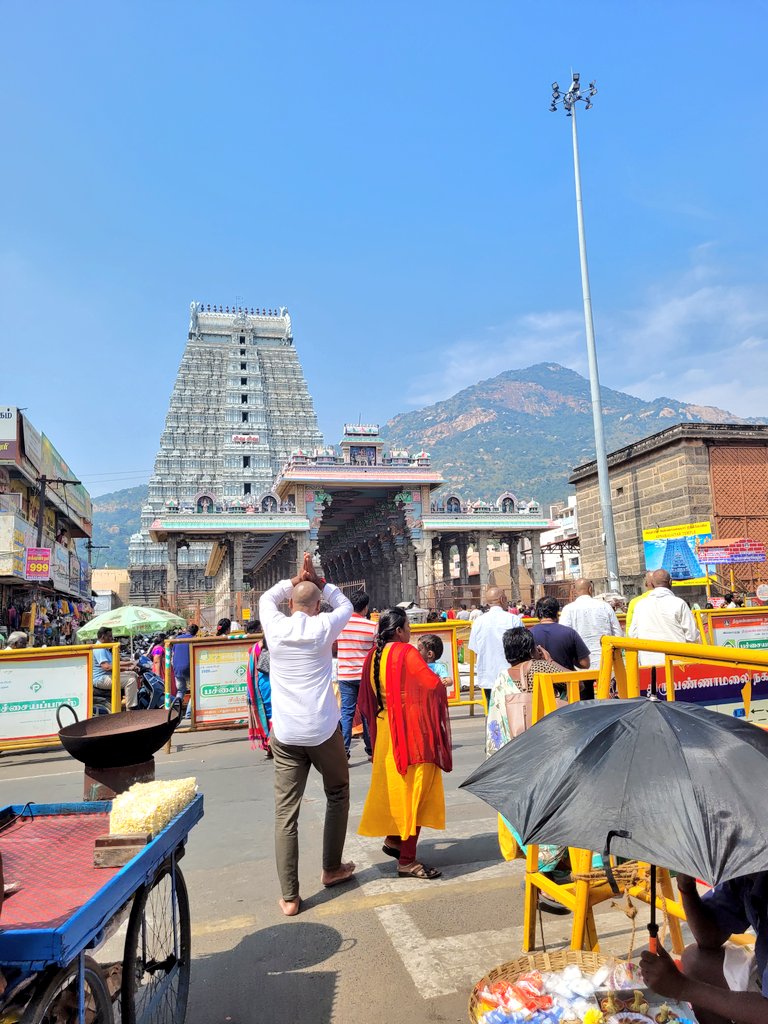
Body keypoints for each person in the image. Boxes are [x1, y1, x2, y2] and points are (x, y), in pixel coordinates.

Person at [258, 552, 355, 917]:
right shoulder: (323, 627)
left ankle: (289, 896)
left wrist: (295, 582)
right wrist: (320, 583)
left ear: (291, 604)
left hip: (286, 732)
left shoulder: (275, 625)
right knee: (338, 792)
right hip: (322, 728)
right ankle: (332, 867)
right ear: (317, 607)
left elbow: (268, 598)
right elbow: (343, 603)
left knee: (286, 814)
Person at [357, 608, 452, 880]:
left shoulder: (373, 655)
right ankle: (407, 861)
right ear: (399, 630)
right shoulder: (406, 652)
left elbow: (367, 700)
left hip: (386, 732)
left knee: (398, 792)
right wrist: (440, 683)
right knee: (415, 794)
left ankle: (394, 841)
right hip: (410, 732)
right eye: (409, 626)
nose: (411, 631)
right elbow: (431, 686)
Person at [486, 627, 568, 869]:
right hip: (539, 749)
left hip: (511, 754)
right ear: (532, 648)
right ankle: (545, 872)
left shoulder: (502, 676)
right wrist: (549, 660)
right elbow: (579, 678)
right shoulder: (539, 667)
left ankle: (546, 864)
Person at [640, 872, 768, 1024]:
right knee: (695, 959)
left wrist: (682, 987)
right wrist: (686, 887)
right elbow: (710, 938)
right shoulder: (748, 875)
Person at [336, 591, 377, 761]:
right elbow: (376, 651)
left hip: (345, 675)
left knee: (347, 713)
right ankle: (372, 749)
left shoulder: (340, 625)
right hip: (365, 677)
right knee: (368, 713)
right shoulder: (372, 627)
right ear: (366, 608)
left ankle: (343, 752)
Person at [628, 569, 700, 665]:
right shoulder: (679, 603)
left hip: (648, 664)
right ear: (671, 582)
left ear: (652, 584)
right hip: (676, 663)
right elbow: (692, 636)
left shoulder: (640, 605)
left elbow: (633, 634)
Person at [467, 587, 523, 709]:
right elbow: (522, 647)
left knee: (492, 712)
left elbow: (475, 649)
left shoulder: (478, 622)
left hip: (488, 675)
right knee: (513, 712)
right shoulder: (513, 619)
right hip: (511, 675)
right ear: (502, 599)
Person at [559, 579, 623, 678]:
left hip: (581, 666)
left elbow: (563, 638)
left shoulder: (568, 609)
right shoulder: (605, 606)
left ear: (575, 591)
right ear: (590, 589)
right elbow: (618, 634)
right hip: (605, 663)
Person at [530, 597, 591, 672]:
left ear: (538, 613)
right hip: (566, 681)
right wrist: (570, 658)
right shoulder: (570, 633)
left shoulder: (529, 634)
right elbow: (585, 664)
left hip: (537, 682)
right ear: (557, 612)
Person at [92, 626, 139, 709]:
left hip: (107, 675)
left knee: (133, 674)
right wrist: (127, 668)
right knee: (131, 680)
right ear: (103, 637)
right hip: (100, 678)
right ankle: (131, 709)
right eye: (110, 636)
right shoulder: (99, 649)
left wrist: (130, 663)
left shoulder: (105, 648)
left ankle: (128, 699)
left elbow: (115, 663)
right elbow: (107, 667)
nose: (112, 638)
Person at [245, 620, 272, 757]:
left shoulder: (255, 647)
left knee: (266, 714)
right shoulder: (279, 646)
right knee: (276, 714)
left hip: (261, 685)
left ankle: (269, 744)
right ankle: (274, 744)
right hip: (275, 683)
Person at [170, 623, 199, 718]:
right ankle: (189, 714)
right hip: (189, 668)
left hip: (177, 669)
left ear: (187, 630)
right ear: (196, 632)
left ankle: (175, 713)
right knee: (195, 690)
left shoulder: (177, 639)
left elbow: (174, 653)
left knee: (181, 690)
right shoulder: (194, 640)